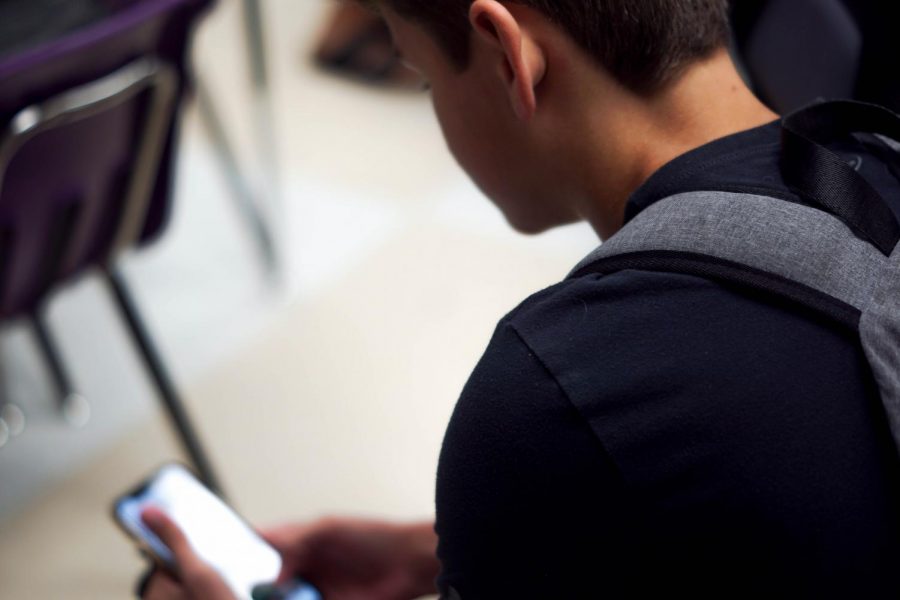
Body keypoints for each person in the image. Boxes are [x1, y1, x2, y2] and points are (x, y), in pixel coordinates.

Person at [139, 0, 900, 598]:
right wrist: (440, 551)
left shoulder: (564, 396)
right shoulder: (881, 162)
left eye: (425, 75)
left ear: (509, 55)